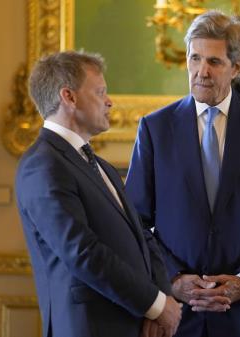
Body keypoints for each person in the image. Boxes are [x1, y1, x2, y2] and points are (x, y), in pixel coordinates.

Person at [125, 10, 240, 337]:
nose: (201, 72)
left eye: (214, 62)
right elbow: (135, 223)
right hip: (175, 315)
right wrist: (175, 280)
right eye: (195, 58)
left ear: (236, 67)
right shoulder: (155, 129)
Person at [15, 50, 182, 337]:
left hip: (137, 323)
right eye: (100, 91)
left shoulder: (99, 165)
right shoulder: (42, 165)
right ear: (69, 97)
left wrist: (162, 300)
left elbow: (142, 234)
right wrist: (155, 305)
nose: (109, 101)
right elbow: (82, 252)